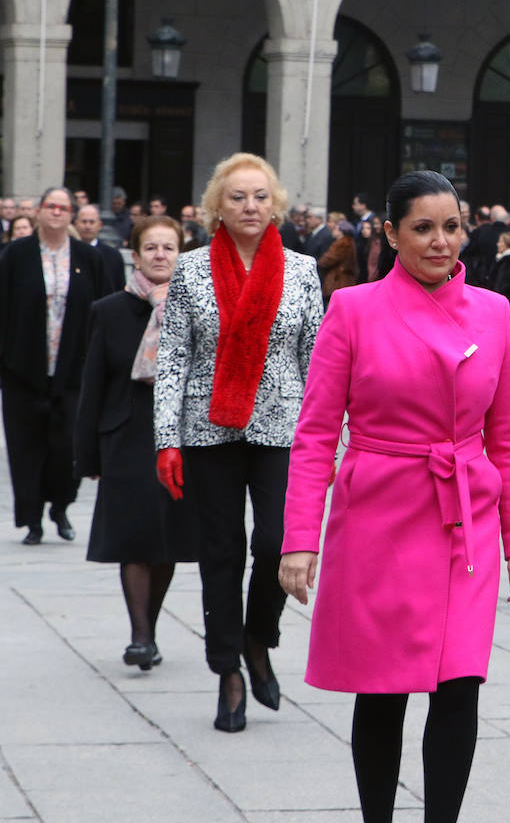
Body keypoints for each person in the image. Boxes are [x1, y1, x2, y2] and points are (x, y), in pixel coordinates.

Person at [280, 170, 510, 823]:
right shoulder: (354, 309)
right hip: (378, 520)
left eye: (451, 226)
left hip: (465, 525)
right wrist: (299, 541)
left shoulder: (494, 312)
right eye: (422, 228)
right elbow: (315, 436)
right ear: (391, 234)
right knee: (384, 690)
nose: (440, 242)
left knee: (459, 686)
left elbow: (509, 437)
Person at [153, 153, 323, 733]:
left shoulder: (302, 270)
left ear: (273, 203)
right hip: (208, 429)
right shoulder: (192, 270)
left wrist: (325, 439)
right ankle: (227, 669)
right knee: (221, 551)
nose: (249, 207)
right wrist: (166, 439)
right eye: (236, 197)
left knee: (277, 544)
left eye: (258, 196)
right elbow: (173, 357)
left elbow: (315, 358)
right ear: (215, 209)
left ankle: (258, 640)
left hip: (282, 426)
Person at [76, 216, 198, 670]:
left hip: (181, 436)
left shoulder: (199, 306)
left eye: (169, 247)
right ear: (136, 253)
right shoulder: (109, 310)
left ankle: (150, 624)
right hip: (126, 433)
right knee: (133, 536)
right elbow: (93, 385)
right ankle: (140, 636)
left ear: (181, 253)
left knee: (165, 536)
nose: (161, 255)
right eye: (152, 248)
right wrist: (86, 452)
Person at [0, 186, 113, 544]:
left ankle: (60, 507)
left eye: (64, 208)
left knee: (67, 447)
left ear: (72, 215)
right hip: (24, 370)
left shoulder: (87, 257)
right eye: (50, 206)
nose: (57, 213)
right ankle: (32, 519)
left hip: (73, 372)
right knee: (26, 445)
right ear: (38, 212)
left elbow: (102, 312)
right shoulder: (15, 255)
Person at [76, 204, 127, 294]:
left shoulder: (113, 256)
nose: (87, 226)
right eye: (84, 222)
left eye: (92, 222)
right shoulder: (69, 252)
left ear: (99, 225)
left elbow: (119, 290)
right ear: (76, 224)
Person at [317, 215, 358, 307]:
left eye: (336, 229)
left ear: (341, 231)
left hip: (339, 279)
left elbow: (328, 259)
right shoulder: (347, 242)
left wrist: (320, 262)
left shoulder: (343, 243)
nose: (333, 231)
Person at [489, 229, 510, 313]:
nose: (497, 244)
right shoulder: (499, 259)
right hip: (498, 297)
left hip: (506, 299)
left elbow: (507, 281)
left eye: (500, 242)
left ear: (507, 244)